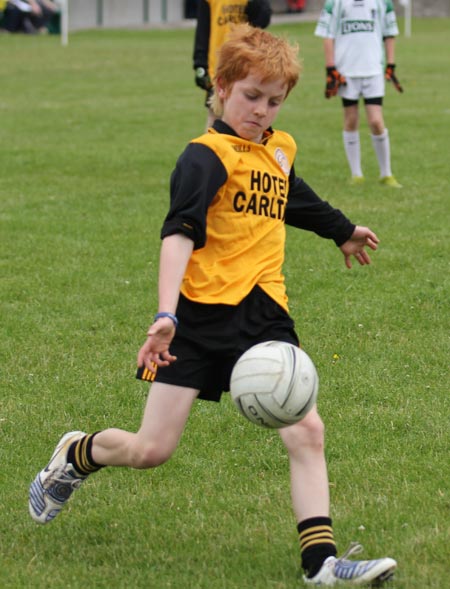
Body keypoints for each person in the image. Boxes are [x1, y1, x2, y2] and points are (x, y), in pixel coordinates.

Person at [29, 24, 397, 586]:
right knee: (151, 450)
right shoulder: (204, 157)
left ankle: (320, 564)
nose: (262, 110)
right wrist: (165, 315)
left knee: (307, 429)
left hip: (264, 310)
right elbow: (178, 233)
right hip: (197, 317)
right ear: (222, 87)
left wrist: (342, 230)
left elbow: (290, 196)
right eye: (252, 95)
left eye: (274, 101)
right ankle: (78, 453)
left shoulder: (278, 147)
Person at [315, 0, 403, 188]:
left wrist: (391, 64)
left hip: (373, 72)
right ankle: (356, 174)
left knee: (376, 122)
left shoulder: (383, 2)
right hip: (347, 72)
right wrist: (330, 67)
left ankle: (386, 174)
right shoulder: (335, 3)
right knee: (351, 120)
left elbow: (389, 33)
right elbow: (327, 35)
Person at [193, 0, 272, 129]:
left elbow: (262, 21)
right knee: (216, 117)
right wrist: (199, 63)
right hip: (218, 67)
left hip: (247, 64)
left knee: (248, 116)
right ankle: (211, 149)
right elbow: (203, 28)